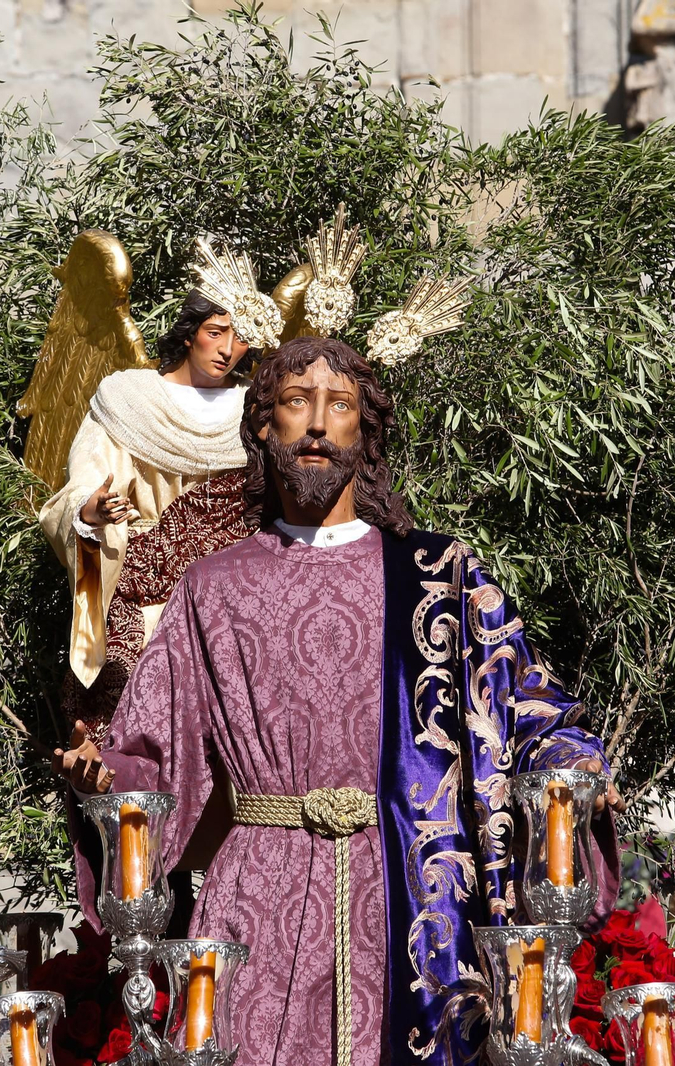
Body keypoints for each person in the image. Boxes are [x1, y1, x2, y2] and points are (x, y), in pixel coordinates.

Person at [55, 335, 626, 1066]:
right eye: (296, 402)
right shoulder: (214, 586)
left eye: (341, 405)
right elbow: (155, 757)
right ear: (264, 425)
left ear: (366, 431)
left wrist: (577, 770)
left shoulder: (439, 576)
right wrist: (105, 777)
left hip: (414, 899)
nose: (318, 423)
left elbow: (529, 709)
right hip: (257, 898)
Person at [38, 291, 258, 737]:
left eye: (239, 339)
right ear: (189, 333)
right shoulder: (130, 398)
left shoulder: (257, 410)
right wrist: (92, 510)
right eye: (215, 333)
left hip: (229, 598)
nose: (226, 349)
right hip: (143, 590)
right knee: (127, 726)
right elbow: (86, 477)